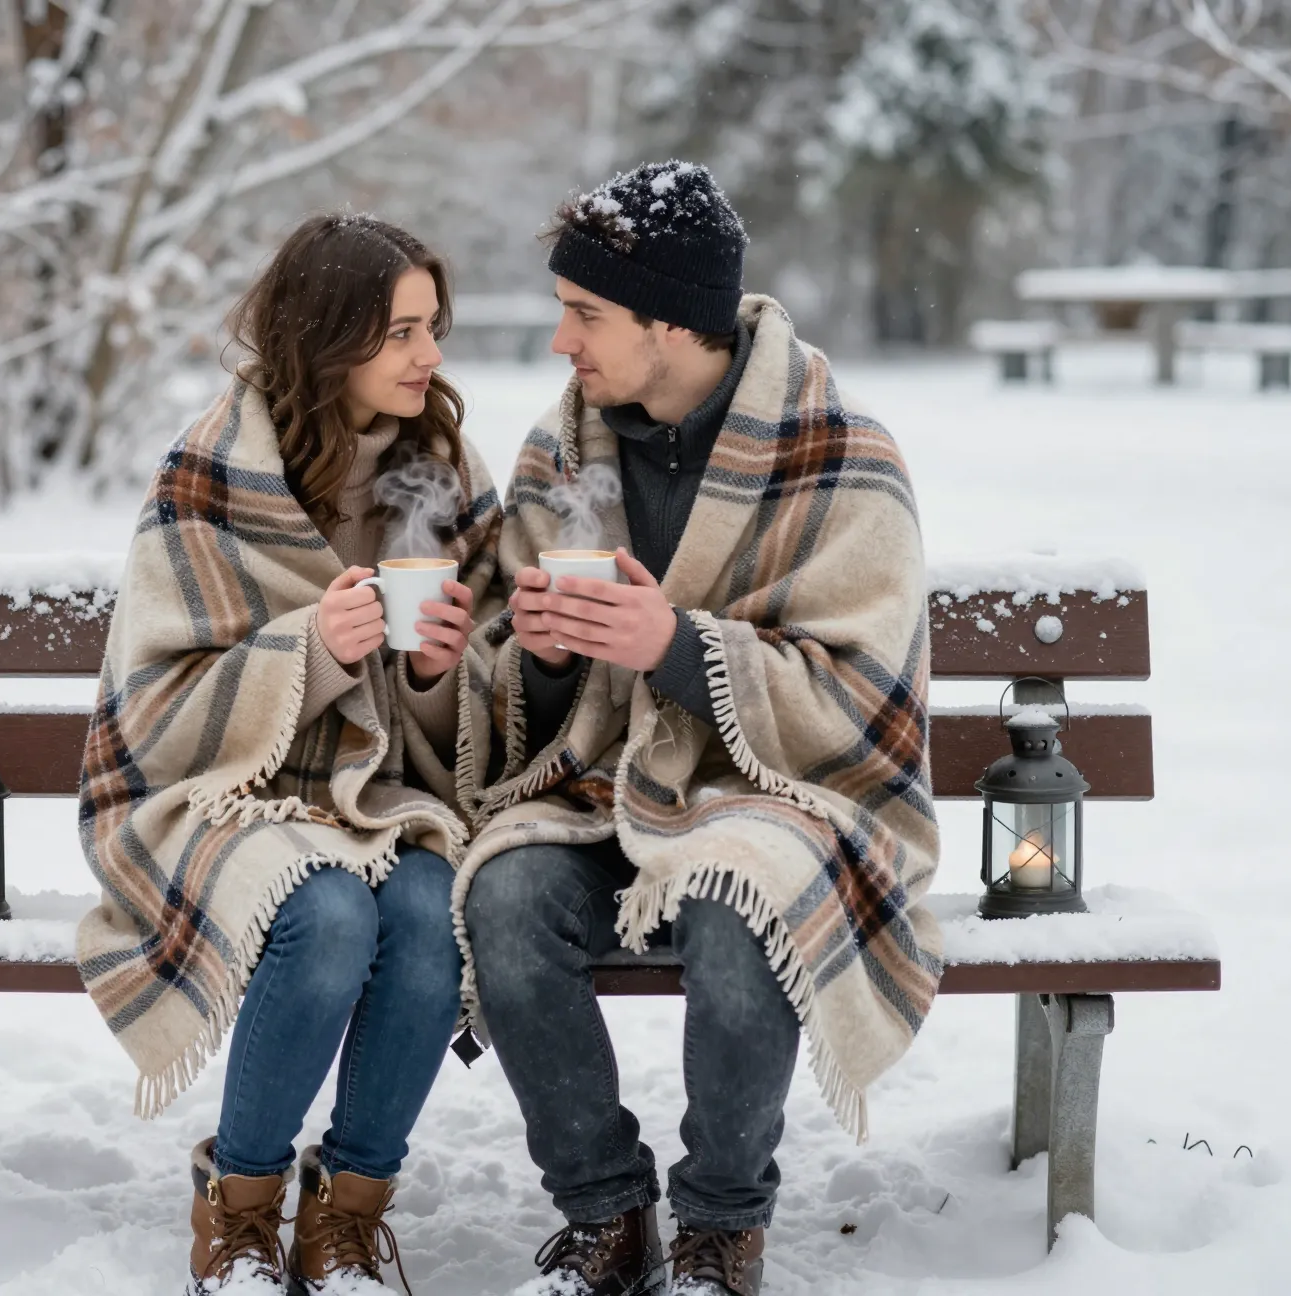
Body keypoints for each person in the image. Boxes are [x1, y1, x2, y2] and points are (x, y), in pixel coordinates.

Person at [452, 162, 943, 1296]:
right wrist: (542, 651)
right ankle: (607, 1216)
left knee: (739, 903)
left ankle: (721, 1227)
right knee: (505, 898)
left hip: (782, 800)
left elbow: (861, 699)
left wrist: (672, 645)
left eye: (585, 316)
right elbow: (502, 690)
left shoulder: (842, 457)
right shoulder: (561, 447)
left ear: (670, 324)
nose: (561, 346)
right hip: (599, 792)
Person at [75, 213, 502, 1296]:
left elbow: (498, 706)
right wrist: (306, 651)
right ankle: (243, 1210)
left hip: (391, 798)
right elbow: (155, 708)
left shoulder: (445, 471)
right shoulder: (213, 473)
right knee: (326, 916)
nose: (430, 356)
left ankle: (349, 1215)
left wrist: (432, 673)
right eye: (401, 332)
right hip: (222, 798)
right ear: (327, 339)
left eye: (433, 328)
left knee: (424, 914)